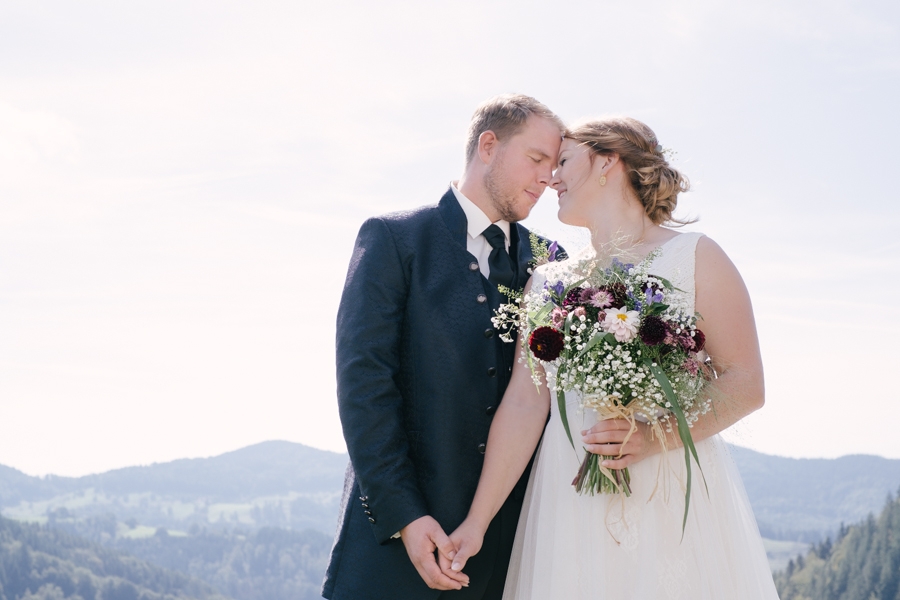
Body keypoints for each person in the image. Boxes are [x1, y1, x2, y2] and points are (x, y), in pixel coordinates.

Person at [447, 117, 780, 599]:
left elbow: (746, 384)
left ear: (607, 161)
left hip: (666, 497)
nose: (550, 178)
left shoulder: (696, 257)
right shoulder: (547, 280)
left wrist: (651, 436)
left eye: (563, 162)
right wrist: (477, 522)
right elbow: (524, 404)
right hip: (569, 503)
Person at [321, 94, 566, 600]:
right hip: (392, 549)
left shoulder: (554, 263)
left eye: (555, 165)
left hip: (506, 551)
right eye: (537, 159)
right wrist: (405, 517)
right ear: (488, 145)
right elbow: (364, 388)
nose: (547, 178)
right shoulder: (394, 239)